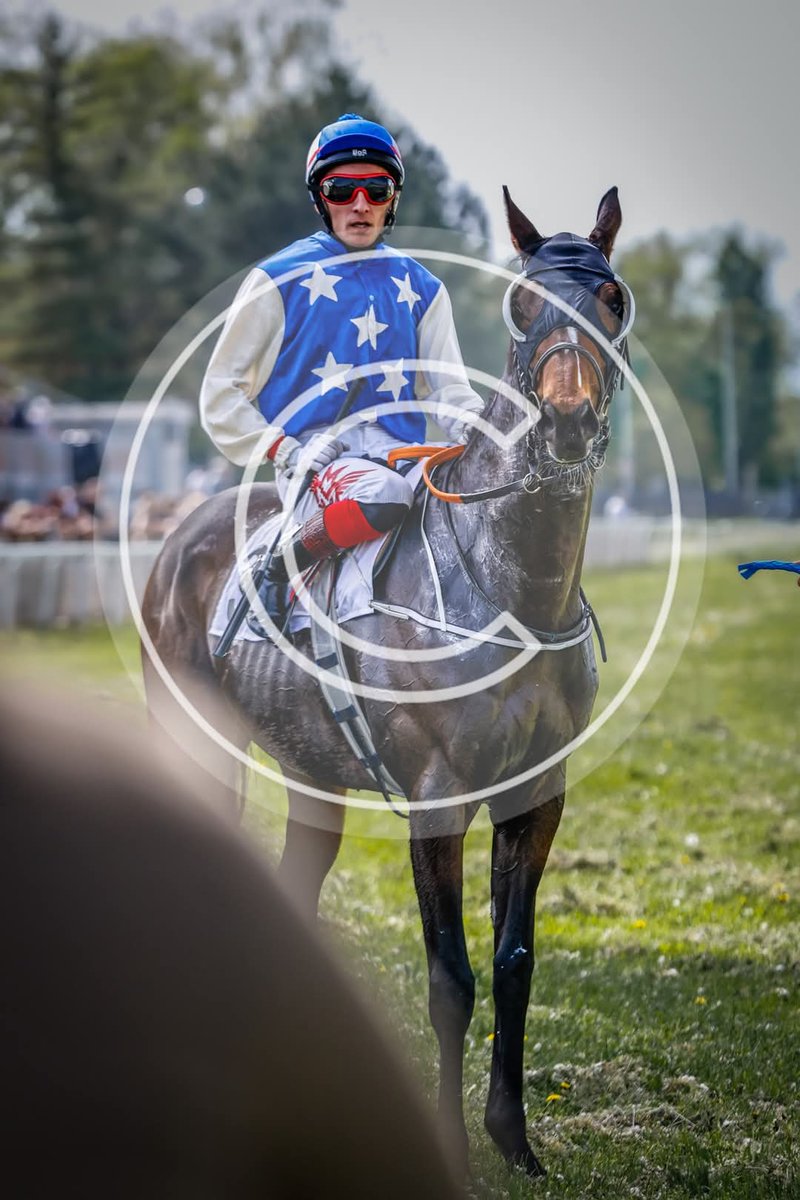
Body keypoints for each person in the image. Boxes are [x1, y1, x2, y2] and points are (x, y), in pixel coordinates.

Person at [200, 112, 483, 627]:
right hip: (315, 462)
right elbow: (220, 395)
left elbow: (452, 391)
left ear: (392, 199)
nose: (360, 204)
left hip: (404, 454)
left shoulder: (424, 288)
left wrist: (478, 427)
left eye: (377, 189)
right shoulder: (275, 279)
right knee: (383, 494)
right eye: (342, 189)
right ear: (320, 198)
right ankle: (280, 567)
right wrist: (287, 449)